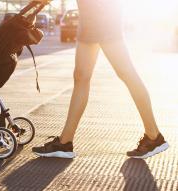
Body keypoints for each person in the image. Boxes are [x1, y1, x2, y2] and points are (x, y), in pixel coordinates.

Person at [32, 0, 169, 159]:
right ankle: (65, 142)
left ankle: (154, 136)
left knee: (125, 72)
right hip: (92, 13)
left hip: (101, 12)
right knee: (82, 75)